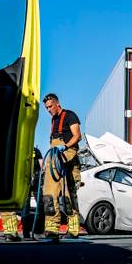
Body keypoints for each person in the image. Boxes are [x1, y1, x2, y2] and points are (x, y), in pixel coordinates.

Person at [42, 93, 82, 240]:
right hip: (54, 158)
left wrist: (64, 147)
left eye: (50, 106)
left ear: (57, 103)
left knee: (67, 197)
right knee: (49, 195)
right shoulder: (53, 120)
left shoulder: (70, 115)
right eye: (46, 108)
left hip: (67, 155)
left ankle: (73, 229)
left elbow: (77, 136)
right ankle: (52, 229)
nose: (49, 110)